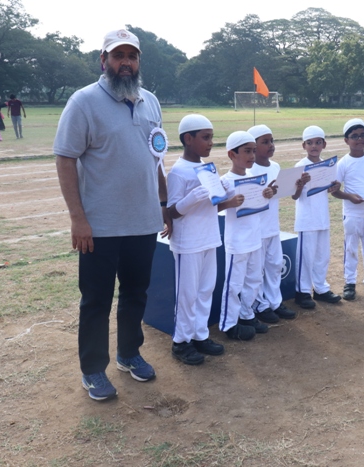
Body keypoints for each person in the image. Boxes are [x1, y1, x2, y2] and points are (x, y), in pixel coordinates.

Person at [54, 29, 172, 401]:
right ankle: (92, 370)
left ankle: (129, 353)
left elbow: (155, 156)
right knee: (96, 300)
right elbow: (65, 158)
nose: (125, 62)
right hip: (100, 226)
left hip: (143, 222)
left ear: (138, 62)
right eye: (117, 55)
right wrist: (78, 218)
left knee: (136, 293)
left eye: (131, 56)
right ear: (103, 60)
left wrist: (163, 202)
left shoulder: (151, 101)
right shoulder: (83, 101)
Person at [166, 114, 228, 366]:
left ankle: (199, 334)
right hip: (188, 242)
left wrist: (225, 194)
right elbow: (171, 212)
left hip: (209, 237)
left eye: (211, 137)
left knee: (205, 291)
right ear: (188, 139)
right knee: (187, 294)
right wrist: (189, 200)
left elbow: (214, 204)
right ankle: (181, 341)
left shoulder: (207, 169)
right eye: (205, 137)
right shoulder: (177, 172)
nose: (211, 142)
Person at [218, 131, 274, 340]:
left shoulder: (255, 179)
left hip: (255, 238)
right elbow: (212, 208)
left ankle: (247, 314)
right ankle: (229, 324)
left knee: (254, 279)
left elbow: (260, 204)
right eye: (247, 151)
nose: (252, 156)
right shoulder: (225, 181)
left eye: (253, 151)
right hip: (237, 242)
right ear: (232, 154)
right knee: (234, 284)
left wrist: (268, 194)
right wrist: (229, 203)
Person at [246, 124, 298, 323]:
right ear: (253, 146)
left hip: (273, 226)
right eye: (265, 142)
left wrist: (297, 184)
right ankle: (260, 305)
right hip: (256, 229)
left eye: (272, 141)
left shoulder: (275, 167)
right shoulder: (249, 170)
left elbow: (283, 192)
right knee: (257, 270)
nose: (271, 145)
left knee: (275, 265)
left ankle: (275, 302)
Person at [330, 118, 364, 301]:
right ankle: (350, 282)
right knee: (351, 249)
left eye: (363, 135)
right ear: (346, 140)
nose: (359, 139)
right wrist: (349, 197)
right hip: (351, 214)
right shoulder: (343, 163)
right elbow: (335, 191)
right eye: (354, 136)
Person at [292, 125, 343, 309]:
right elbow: (294, 196)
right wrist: (300, 184)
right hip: (306, 219)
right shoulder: (300, 166)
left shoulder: (327, 166)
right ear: (304, 145)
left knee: (322, 255)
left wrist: (335, 186)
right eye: (310, 143)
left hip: (322, 217)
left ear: (324, 144)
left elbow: (328, 189)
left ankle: (320, 288)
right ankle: (303, 292)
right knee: (306, 257)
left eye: (318, 142)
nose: (314, 146)